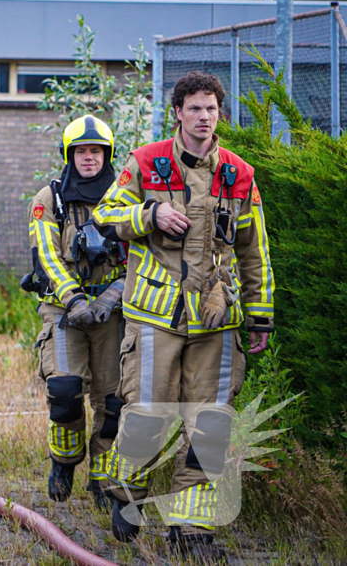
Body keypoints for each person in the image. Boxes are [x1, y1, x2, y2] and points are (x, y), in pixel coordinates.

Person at [93, 72, 274, 562]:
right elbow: (105, 215)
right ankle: (125, 492)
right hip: (154, 316)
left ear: (220, 114)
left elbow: (255, 251)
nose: (203, 116)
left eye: (211, 109)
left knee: (209, 425)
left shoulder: (239, 174)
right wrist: (149, 216)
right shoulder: (146, 162)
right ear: (177, 112)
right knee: (149, 415)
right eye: (194, 108)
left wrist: (258, 317)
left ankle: (191, 528)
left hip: (216, 321)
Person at [26, 115, 126, 509]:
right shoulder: (48, 200)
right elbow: (48, 256)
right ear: (69, 155)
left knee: (113, 401)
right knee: (65, 391)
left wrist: (114, 294)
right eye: (81, 151)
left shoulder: (126, 197)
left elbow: (142, 254)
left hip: (113, 312)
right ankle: (64, 461)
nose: (89, 158)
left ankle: (102, 481)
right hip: (63, 310)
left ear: (107, 155)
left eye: (96, 151)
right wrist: (74, 299)